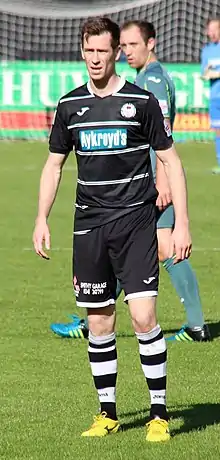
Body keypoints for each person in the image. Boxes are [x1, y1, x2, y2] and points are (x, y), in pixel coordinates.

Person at [33, 16, 192, 441]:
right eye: (89, 51)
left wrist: (182, 226)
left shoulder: (141, 102)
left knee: (143, 318)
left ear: (117, 52)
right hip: (89, 228)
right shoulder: (69, 106)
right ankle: (108, 413)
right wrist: (41, 217)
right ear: (81, 50)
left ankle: (159, 414)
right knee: (100, 323)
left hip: (136, 223)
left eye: (103, 51)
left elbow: (172, 162)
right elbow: (54, 166)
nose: (95, 59)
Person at [51, 20, 211, 343]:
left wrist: (162, 181)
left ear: (151, 44)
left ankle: (196, 325)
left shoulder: (151, 81)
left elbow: (163, 139)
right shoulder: (147, 78)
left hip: (148, 184)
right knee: (132, 248)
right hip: (144, 185)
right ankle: (95, 314)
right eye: (123, 46)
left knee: (164, 247)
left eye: (132, 45)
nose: (126, 52)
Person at [201, 18, 220, 174]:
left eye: (215, 29)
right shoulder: (206, 50)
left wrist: (213, 72)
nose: (212, 33)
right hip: (215, 96)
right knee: (218, 130)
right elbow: (204, 74)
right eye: (210, 30)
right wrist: (209, 72)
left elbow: (211, 73)